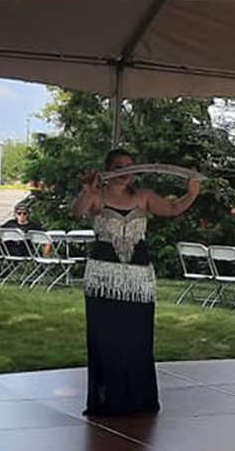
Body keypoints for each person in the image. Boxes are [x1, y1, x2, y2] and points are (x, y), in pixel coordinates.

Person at [72, 148, 200, 416]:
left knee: (137, 338)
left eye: (129, 167)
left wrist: (192, 193)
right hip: (103, 279)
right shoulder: (97, 197)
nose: (124, 173)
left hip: (138, 280)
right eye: (119, 167)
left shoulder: (143, 197)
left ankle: (138, 398)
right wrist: (87, 189)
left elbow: (173, 208)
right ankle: (107, 399)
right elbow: (77, 212)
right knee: (105, 338)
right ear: (108, 169)